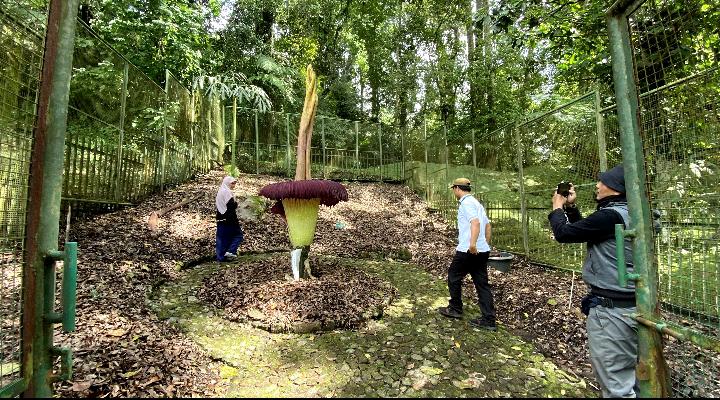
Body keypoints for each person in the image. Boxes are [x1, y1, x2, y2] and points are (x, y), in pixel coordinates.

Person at [548, 164, 638, 398]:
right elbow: (587, 230)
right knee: (636, 379)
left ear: (616, 188)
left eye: (603, 182)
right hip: (635, 304)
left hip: (613, 312)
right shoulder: (631, 213)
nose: (597, 185)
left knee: (616, 385)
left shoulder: (610, 216)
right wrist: (572, 208)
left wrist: (557, 208)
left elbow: (565, 233)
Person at [437, 178, 496, 331]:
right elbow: (488, 226)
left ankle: (455, 308)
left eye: (453, 189)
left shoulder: (466, 203)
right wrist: (485, 245)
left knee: (453, 276)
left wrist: (473, 244)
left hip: (468, 250)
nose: (453, 191)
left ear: (457, 188)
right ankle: (489, 319)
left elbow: (475, 223)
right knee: (482, 284)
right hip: (482, 251)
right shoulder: (477, 203)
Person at [215, 176, 244, 262]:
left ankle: (221, 257)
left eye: (234, 183)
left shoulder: (220, 191)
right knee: (238, 235)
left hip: (220, 217)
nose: (234, 185)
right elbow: (231, 206)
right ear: (227, 183)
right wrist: (236, 204)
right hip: (229, 218)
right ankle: (231, 251)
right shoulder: (226, 192)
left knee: (222, 238)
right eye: (232, 183)